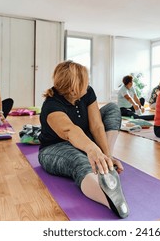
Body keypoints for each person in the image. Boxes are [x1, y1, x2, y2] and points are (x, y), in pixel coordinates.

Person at [38, 61, 129, 219]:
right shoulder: (51, 106)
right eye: (85, 81)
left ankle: (105, 166)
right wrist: (92, 149)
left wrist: (107, 156)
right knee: (79, 161)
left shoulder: (86, 92)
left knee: (112, 109)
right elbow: (70, 131)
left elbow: (96, 126)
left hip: (85, 141)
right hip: (55, 148)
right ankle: (109, 200)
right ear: (73, 88)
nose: (88, 84)